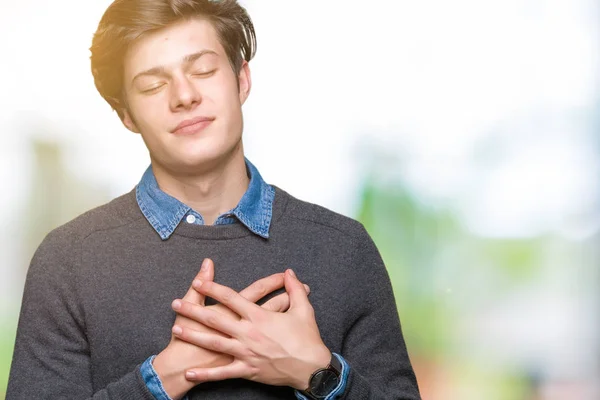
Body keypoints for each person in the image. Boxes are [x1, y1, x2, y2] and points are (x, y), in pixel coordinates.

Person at [6, 0, 421, 399]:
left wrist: (316, 374)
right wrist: (162, 379)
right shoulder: (70, 262)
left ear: (242, 79)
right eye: (153, 84)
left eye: (203, 69)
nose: (183, 96)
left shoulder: (343, 248)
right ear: (126, 115)